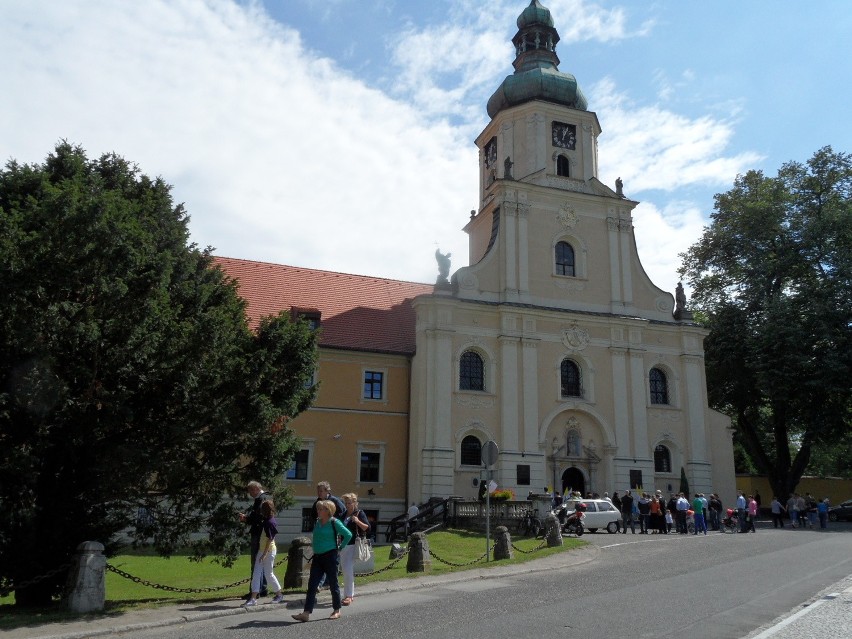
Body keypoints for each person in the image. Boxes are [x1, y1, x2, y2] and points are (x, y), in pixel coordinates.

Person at [292, 499, 352, 622]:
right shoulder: (318, 522)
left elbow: (348, 535)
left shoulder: (334, 522)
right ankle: (306, 613)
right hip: (318, 557)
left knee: (333, 584)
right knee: (312, 585)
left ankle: (337, 610)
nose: (318, 511)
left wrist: (340, 548)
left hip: (330, 556)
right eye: (318, 509)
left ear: (328, 510)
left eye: (321, 509)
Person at [244, 500, 285, 607]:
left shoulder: (270, 522)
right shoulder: (266, 520)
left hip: (268, 551)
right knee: (256, 573)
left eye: (262, 509)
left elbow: (270, 539)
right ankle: (253, 598)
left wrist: (264, 554)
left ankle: (279, 594)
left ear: (265, 510)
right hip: (262, 551)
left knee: (269, 574)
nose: (261, 510)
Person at [238, 480, 271, 597]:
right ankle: (262, 588)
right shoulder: (265, 498)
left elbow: (258, 518)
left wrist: (246, 519)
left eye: (250, 490)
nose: (250, 493)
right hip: (263, 533)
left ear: (256, 489)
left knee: (256, 562)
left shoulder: (261, 499)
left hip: (259, 534)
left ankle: (256, 591)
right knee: (261, 561)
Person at [312, 481, 345, 589]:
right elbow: (313, 516)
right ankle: (324, 583)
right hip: (322, 536)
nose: (319, 493)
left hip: (334, 535)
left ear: (327, 491)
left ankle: (329, 583)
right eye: (318, 490)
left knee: (332, 560)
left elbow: (343, 513)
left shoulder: (334, 501)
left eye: (321, 490)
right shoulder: (317, 502)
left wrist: (336, 524)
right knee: (322, 560)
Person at [340, 493, 370, 607]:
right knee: (345, 570)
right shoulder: (343, 515)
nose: (347, 505)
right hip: (344, 545)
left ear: (355, 503)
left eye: (349, 503)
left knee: (348, 569)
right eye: (346, 503)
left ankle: (349, 595)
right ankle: (346, 594)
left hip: (354, 545)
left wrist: (357, 521)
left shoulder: (359, 513)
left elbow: (367, 527)